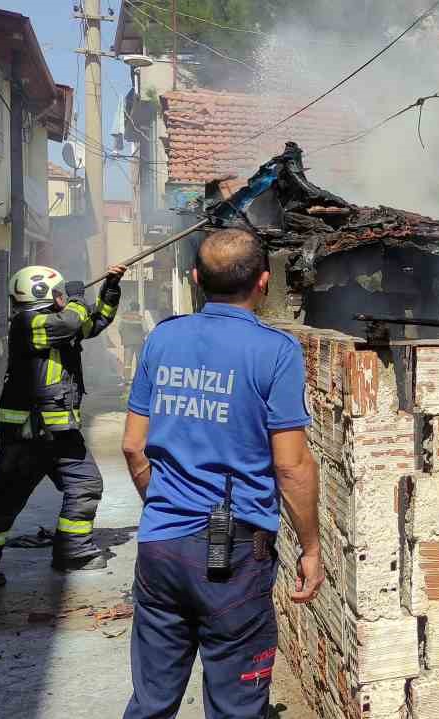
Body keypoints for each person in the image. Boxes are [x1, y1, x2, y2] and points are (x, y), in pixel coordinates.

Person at [120, 228, 324, 719]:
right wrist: (312, 548)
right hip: (232, 556)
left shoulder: (163, 339)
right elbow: (291, 465)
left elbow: (133, 446)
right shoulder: (275, 352)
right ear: (264, 281)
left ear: (195, 279)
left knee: (151, 700)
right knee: (236, 705)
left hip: (160, 547)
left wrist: (166, 505)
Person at [0, 263, 126, 587]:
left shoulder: (58, 322)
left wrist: (111, 286)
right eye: (59, 292)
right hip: (26, 435)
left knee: (85, 486)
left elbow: (95, 322)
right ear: (42, 294)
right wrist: (78, 300)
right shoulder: (28, 322)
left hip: (60, 432)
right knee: (7, 499)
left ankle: (73, 551)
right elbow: (73, 319)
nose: (64, 297)